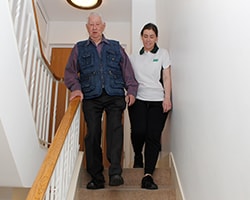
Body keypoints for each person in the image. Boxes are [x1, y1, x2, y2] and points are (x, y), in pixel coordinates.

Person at [64, 12, 138, 190]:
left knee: (114, 131)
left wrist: (132, 90)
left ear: (103, 26)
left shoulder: (115, 46)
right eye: (91, 25)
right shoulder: (79, 48)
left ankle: (115, 172)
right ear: (87, 27)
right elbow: (70, 73)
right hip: (91, 96)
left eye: (98, 24)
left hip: (114, 94)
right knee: (93, 134)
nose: (94, 28)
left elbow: (127, 70)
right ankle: (96, 177)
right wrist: (76, 88)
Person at [128, 23, 172, 190]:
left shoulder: (163, 54)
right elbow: (129, 78)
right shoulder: (134, 57)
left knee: (153, 136)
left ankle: (147, 175)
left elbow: (166, 77)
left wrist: (167, 98)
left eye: (151, 36)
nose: (148, 39)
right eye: (145, 36)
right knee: (139, 131)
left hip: (157, 100)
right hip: (138, 99)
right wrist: (129, 93)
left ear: (156, 38)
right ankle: (138, 155)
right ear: (141, 37)